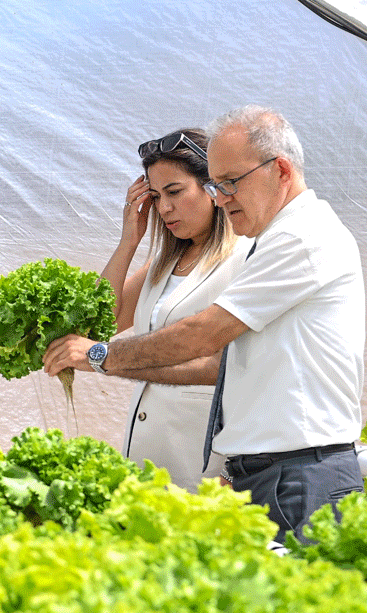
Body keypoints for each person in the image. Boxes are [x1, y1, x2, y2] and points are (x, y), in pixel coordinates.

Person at [44, 106, 365, 543]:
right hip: (264, 470)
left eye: (229, 183)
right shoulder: (263, 242)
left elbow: (206, 339)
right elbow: (102, 321)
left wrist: (102, 358)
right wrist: (128, 240)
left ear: (281, 170)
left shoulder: (295, 239)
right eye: (218, 184)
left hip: (297, 472)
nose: (222, 196)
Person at [101, 128, 252, 489]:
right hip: (146, 456)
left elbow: (247, 369)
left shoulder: (246, 257)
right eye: (155, 196)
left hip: (206, 464)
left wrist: (234, 470)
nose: (164, 207)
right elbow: (97, 324)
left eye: (175, 191)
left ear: (213, 188)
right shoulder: (162, 264)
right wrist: (128, 241)